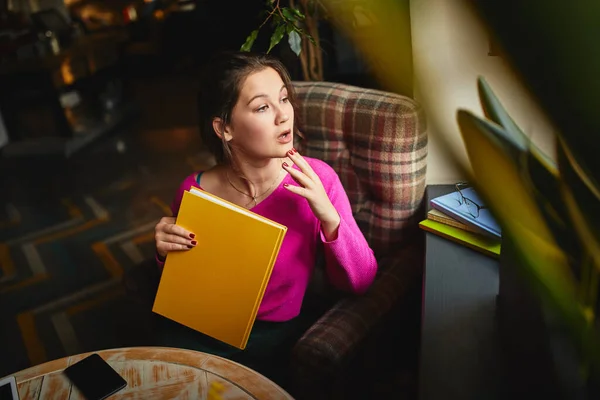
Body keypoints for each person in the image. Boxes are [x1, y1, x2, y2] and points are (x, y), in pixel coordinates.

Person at [152, 50, 378, 387]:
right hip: (193, 330)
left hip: (268, 340)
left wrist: (330, 219)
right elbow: (184, 282)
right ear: (224, 128)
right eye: (262, 107)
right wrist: (162, 251)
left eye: (284, 99)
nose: (283, 116)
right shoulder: (193, 190)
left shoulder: (317, 180)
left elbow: (360, 282)